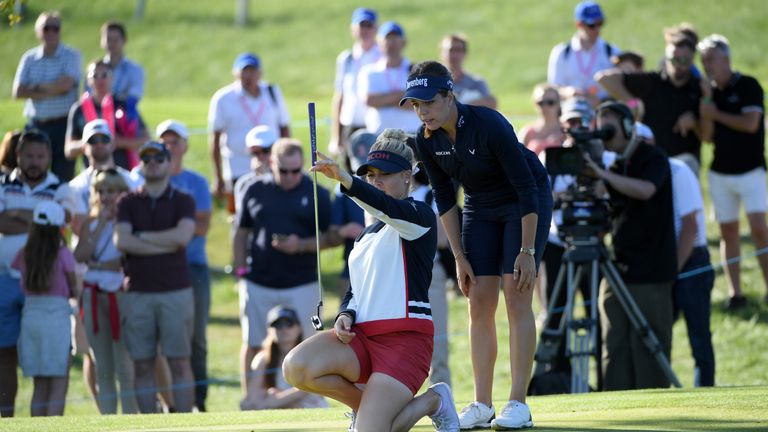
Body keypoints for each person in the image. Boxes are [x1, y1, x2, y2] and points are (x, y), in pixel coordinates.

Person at [403, 61, 552, 430]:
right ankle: (482, 404)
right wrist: (457, 256)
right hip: (480, 208)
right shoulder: (426, 139)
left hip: (523, 203)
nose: (423, 111)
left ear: (449, 96)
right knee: (479, 301)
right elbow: (444, 198)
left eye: (429, 102)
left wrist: (528, 251)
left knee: (517, 294)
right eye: (416, 105)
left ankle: (518, 403)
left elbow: (526, 187)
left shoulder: (489, 123)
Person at [283, 128, 460, 432]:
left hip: (404, 343)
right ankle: (369, 409)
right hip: (362, 341)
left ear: (407, 176)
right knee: (296, 367)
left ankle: (433, 399)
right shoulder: (366, 236)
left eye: (385, 174)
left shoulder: (419, 216)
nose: (376, 180)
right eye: (370, 174)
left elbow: (387, 207)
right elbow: (356, 290)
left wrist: (345, 180)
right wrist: (345, 314)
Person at [583, 102, 677, 390]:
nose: (606, 134)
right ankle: (614, 401)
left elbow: (646, 189)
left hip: (651, 270)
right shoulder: (614, 165)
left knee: (648, 345)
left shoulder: (653, 158)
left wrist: (604, 175)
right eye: (602, 128)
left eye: (609, 126)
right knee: (614, 343)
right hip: (617, 266)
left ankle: (653, 406)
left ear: (626, 126)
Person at [233, 138, 331, 395]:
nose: (290, 177)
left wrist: (301, 245)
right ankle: (251, 400)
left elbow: (332, 237)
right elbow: (241, 232)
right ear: (271, 163)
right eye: (283, 170)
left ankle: (310, 402)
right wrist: (241, 272)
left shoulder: (316, 193)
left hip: (302, 282)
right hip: (259, 281)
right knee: (253, 342)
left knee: (308, 346)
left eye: (296, 170)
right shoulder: (254, 190)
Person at [115, 141, 196, 413]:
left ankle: (186, 424)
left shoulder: (183, 200)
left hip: (175, 291)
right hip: (138, 291)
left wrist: (142, 237)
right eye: (146, 158)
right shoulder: (126, 202)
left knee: (180, 362)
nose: (151, 162)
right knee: (142, 363)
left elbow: (182, 237)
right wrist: (165, 242)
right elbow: (122, 242)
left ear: (168, 162)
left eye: (158, 158)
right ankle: (149, 424)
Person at [0, 130, 76, 417]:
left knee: (46, 363)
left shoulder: (60, 187)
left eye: (40, 156)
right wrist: (40, 219)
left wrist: (16, 214)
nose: (34, 161)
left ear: (49, 158)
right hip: (5, 281)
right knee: (4, 354)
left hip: (44, 289)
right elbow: (2, 222)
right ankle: (5, 418)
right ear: (18, 155)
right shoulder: (2, 183)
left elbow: (60, 221)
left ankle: (41, 422)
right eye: (29, 155)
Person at [698, 34, 768, 309]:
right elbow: (706, 136)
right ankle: (735, 293)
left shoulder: (748, 85)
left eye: (711, 59)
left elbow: (751, 124)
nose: (707, 65)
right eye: (703, 60)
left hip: (751, 171)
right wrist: (706, 105)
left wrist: (715, 113)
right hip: (720, 173)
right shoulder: (709, 94)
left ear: (726, 58)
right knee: (728, 231)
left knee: (760, 230)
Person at [156, 119, 213, 412]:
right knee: (162, 340)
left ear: (185, 145)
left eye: (174, 141)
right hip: (158, 269)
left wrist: (159, 232)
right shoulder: (148, 180)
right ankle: (170, 404)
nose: (169, 147)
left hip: (193, 267)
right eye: (164, 142)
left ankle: (198, 404)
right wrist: (178, 228)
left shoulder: (197, 182)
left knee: (196, 339)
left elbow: (202, 227)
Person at [74, 169, 138, 414]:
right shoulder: (90, 222)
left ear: (122, 192)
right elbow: (80, 255)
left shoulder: (129, 221)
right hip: (93, 294)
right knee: (102, 364)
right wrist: (100, 222)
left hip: (120, 296)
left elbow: (124, 259)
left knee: (125, 364)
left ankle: (132, 419)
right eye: (100, 191)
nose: (105, 196)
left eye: (111, 191)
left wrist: (100, 262)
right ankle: (108, 419)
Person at [596, 30, 703, 175]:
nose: (678, 65)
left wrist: (695, 120)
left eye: (684, 60)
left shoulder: (700, 88)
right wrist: (632, 102)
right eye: (673, 59)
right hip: (654, 162)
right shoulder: (651, 81)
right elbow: (603, 78)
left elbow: (709, 134)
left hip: (685, 163)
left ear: (692, 60)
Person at [12, 201, 78, 416]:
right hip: (56, 317)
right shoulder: (62, 254)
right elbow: (73, 286)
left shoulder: (24, 253)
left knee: (39, 385)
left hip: (31, 317)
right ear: (59, 228)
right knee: (58, 383)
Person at [208, 52, 291, 212]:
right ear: (235, 73)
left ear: (259, 73)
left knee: (273, 210)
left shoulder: (272, 92)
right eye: (244, 71)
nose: (248, 75)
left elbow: (284, 127)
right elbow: (215, 138)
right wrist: (217, 176)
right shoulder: (223, 98)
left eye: (252, 71)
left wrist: (286, 159)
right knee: (239, 213)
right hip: (237, 166)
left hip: (271, 164)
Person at [12, 11, 82, 182]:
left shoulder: (71, 55)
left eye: (55, 28)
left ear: (60, 31)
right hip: (36, 124)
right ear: (38, 32)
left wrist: (35, 87)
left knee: (63, 176)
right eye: (46, 28)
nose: (50, 32)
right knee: (30, 172)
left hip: (63, 125)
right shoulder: (29, 58)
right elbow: (18, 92)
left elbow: (66, 86)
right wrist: (54, 87)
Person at [668, 158, 715, 386]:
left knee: (699, 338)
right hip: (669, 264)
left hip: (692, 262)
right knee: (657, 335)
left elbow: (690, 226)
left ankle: (704, 391)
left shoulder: (678, 170)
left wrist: (672, 272)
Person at [65, 59, 148, 171]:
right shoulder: (79, 109)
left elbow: (146, 140)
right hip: (91, 174)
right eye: (95, 76)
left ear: (112, 78)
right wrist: (90, 142)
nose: (100, 79)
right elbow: (69, 150)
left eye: (104, 75)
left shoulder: (124, 106)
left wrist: (120, 142)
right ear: (88, 80)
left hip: (121, 173)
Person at [240, 305, 328, 410]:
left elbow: (308, 388)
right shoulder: (263, 358)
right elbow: (251, 399)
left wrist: (276, 400)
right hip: (276, 407)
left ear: (299, 328)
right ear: (269, 330)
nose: (284, 329)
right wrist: (270, 399)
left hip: (309, 405)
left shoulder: (308, 355)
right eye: (278, 325)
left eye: (289, 324)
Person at [68, 118, 142, 235]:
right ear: (84, 147)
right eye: (93, 140)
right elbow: (78, 229)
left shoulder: (132, 180)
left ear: (113, 144)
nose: (99, 144)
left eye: (104, 139)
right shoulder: (74, 187)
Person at [330, 7, 381, 165]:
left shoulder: (383, 56)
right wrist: (336, 136)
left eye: (369, 25)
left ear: (376, 29)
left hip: (374, 126)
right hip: (350, 125)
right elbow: (340, 96)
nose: (365, 30)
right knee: (351, 176)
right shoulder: (346, 59)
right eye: (361, 26)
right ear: (353, 29)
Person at [547, 1, 619, 106]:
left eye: (600, 23)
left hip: (603, 112)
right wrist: (569, 92)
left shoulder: (612, 51)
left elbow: (620, 87)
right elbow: (553, 88)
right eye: (592, 25)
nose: (597, 29)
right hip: (569, 112)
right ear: (579, 24)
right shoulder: (561, 52)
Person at [358, 21, 421, 135]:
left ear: (403, 42)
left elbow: (417, 103)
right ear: (379, 42)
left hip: (410, 135)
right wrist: (404, 95)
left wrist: (383, 101)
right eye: (387, 38)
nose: (391, 43)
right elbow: (370, 100)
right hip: (379, 136)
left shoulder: (416, 71)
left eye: (395, 38)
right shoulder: (369, 71)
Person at [439, 33, 497, 109]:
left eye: (458, 50)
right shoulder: (434, 82)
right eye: (450, 50)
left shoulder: (477, 83)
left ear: (465, 54)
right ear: (441, 53)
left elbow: (491, 105)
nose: (454, 55)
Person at [233, 125, 279, 217]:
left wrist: (266, 176)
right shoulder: (244, 183)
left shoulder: (289, 176)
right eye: (255, 152)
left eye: (265, 151)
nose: (261, 157)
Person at [100, 21, 144, 104]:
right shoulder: (95, 70)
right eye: (108, 39)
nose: (112, 43)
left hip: (125, 112)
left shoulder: (135, 69)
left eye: (116, 40)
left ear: (124, 41)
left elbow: (134, 95)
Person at [520, 83, 565, 155]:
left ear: (559, 104)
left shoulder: (566, 130)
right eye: (540, 103)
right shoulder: (527, 132)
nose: (545, 107)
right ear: (534, 104)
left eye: (550, 102)